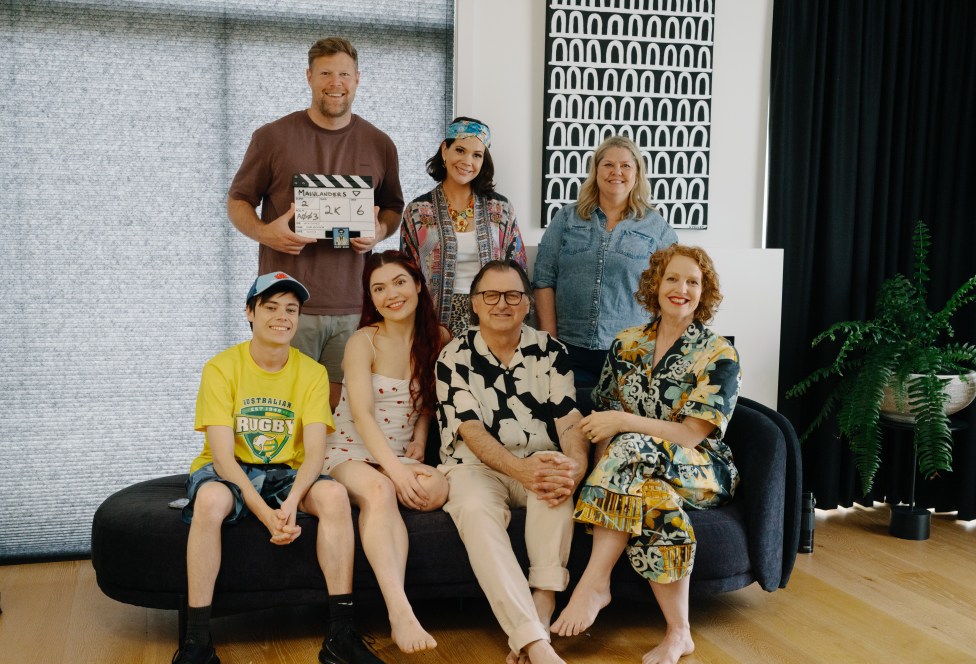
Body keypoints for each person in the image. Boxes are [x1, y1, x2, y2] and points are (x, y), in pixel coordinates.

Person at [154, 272, 391, 664]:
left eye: (291, 309)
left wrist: (293, 501)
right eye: (270, 306)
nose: (282, 316)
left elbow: (316, 451)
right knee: (209, 500)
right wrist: (268, 516)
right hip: (232, 468)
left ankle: (341, 636)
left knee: (335, 495)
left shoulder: (313, 372)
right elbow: (223, 458)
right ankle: (197, 644)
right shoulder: (221, 367)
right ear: (249, 313)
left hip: (287, 471)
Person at [550, 244, 742, 664]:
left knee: (630, 444)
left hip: (703, 467)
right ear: (656, 284)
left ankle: (594, 583)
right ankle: (680, 632)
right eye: (673, 278)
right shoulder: (626, 344)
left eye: (693, 282)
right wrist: (609, 455)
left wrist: (624, 422)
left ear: (704, 292)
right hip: (639, 470)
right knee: (653, 498)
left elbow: (693, 433)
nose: (681, 289)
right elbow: (601, 424)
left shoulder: (719, 353)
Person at [434, 259, 589, 664]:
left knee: (554, 481)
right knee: (475, 510)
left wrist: (573, 465)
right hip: (474, 467)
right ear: (474, 304)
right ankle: (535, 641)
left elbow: (569, 418)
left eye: (513, 295)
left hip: (536, 456)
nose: (502, 304)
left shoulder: (550, 351)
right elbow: (471, 432)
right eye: (491, 296)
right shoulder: (453, 357)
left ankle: (543, 603)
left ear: (527, 304)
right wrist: (523, 469)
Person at [227, 37, 405, 410]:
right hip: (287, 305)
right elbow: (237, 201)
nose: (334, 82)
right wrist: (264, 232)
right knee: (280, 411)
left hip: (353, 306)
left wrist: (380, 231)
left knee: (338, 416)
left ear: (358, 79)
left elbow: (392, 207)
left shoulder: (380, 144)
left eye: (343, 73)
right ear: (309, 77)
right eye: (325, 73)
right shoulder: (272, 138)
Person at [323, 250, 450, 654]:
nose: (390, 294)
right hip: (350, 448)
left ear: (417, 285)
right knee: (379, 491)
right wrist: (395, 472)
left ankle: (383, 491)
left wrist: (420, 430)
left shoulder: (440, 338)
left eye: (398, 282)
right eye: (378, 288)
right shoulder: (363, 341)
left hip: (396, 452)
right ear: (371, 299)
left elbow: (433, 396)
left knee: (437, 490)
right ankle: (400, 612)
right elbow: (360, 414)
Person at [533, 135, 677, 388]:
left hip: (630, 354)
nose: (616, 172)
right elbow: (544, 279)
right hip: (569, 351)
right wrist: (551, 343)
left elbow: (670, 289)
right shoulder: (567, 218)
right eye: (608, 164)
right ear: (596, 170)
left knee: (620, 425)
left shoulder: (656, 226)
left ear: (637, 173)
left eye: (625, 165)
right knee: (572, 423)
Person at [400, 117, 527, 336]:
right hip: (434, 324)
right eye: (460, 150)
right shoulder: (418, 211)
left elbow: (518, 270)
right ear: (444, 150)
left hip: (493, 319)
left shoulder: (501, 209)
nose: (467, 161)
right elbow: (407, 275)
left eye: (477, 155)